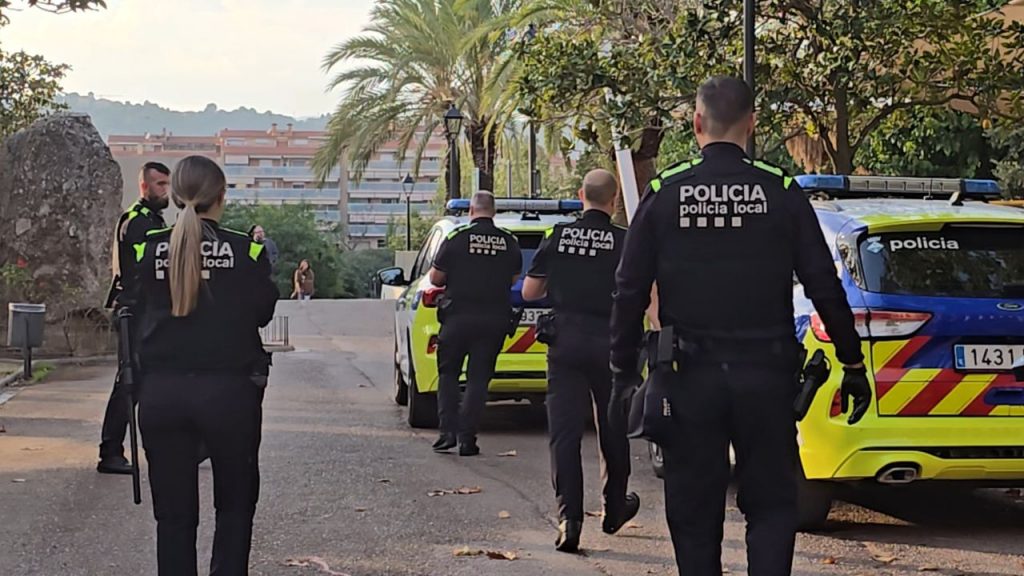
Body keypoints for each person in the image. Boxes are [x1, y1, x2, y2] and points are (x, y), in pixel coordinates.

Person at [609, 76, 871, 576]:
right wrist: (851, 359)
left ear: (695, 124)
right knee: (773, 505)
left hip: (688, 377)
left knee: (693, 512)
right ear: (752, 124)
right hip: (767, 376)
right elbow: (823, 283)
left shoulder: (666, 191)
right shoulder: (782, 189)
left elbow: (628, 288)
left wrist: (622, 369)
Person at [130, 155, 278, 575]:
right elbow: (263, 312)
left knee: (173, 517)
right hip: (228, 393)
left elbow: (129, 313)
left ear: (175, 197)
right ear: (221, 196)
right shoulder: (246, 249)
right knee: (234, 507)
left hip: (161, 394)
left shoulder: (148, 247)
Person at [521, 169, 640, 553]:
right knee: (612, 427)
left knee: (565, 433)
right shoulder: (625, 240)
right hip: (612, 343)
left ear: (580, 195)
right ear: (615, 199)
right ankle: (614, 506)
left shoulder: (558, 235)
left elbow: (530, 290)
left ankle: (569, 518)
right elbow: (643, 293)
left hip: (565, 342)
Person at [428, 190, 522, 456]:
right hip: (493, 320)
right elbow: (514, 279)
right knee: (478, 379)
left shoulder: (456, 238)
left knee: (448, 375)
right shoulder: (508, 241)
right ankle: (468, 439)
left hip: (457, 318)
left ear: (471, 210)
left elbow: (436, 278)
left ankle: (447, 434)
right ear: (493, 212)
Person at [98, 161, 171, 475]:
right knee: (129, 383)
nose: (165, 190)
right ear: (144, 186)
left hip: (150, 312)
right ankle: (110, 452)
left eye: (167, 184)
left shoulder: (153, 218)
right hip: (135, 312)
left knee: (159, 379)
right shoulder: (136, 221)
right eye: (160, 185)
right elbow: (149, 267)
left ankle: (184, 445)